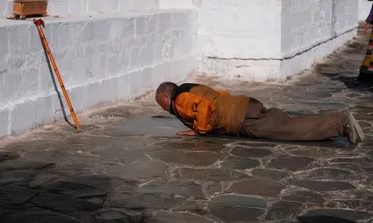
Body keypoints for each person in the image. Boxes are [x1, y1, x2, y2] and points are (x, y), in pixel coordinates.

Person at [155, 82, 364, 144]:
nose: (162, 107)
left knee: (289, 130)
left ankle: (340, 122)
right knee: (285, 124)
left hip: (243, 118)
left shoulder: (179, 98)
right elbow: (219, 94)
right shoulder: (191, 87)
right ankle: (338, 122)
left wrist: (199, 131)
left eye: (160, 103)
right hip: (245, 106)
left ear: (166, 96)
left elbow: (204, 106)